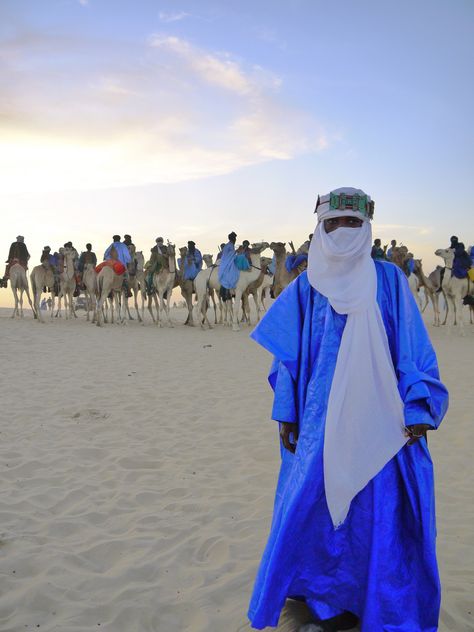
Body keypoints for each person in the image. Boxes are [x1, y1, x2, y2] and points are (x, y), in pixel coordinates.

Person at [247, 187, 448, 632]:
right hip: (318, 423)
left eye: (351, 223)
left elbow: (413, 349)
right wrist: (286, 409)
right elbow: (287, 358)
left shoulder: (390, 280)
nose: (341, 232)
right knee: (313, 508)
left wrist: (417, 405)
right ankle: (322, 606)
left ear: (367, 228)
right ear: (319, 227)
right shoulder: (305, 287)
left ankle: (375, 605)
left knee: (379, 513)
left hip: (383, 420)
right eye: (332, 223)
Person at [218, 232, 239, 300]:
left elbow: (231, 254)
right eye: (234, 238)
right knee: (234, 272)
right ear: (232, 239)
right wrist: (237, 251)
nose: (235, 239)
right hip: (227, 262)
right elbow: (230, 254)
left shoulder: (230, 245)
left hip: (227, 261)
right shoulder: (229, 245)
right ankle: (231, 290)